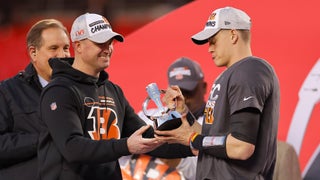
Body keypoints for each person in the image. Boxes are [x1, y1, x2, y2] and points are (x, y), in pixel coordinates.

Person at [38, 13, 194, 180]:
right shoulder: (59, 91)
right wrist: (126, 145)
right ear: (78, 46)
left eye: (110, 42)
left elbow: (148, 139)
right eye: (100, 43)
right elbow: (72, 148)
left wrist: (194, 145)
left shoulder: (113, 91)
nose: (107, 48)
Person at [155, 6, 280, 180]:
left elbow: (241, 146)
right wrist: (184, 112)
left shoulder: (249, 70)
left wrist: (192, 138)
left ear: (233, 35)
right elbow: (213, 138)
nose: (209, 48)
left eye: (213, 40)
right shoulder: (230, 75)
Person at [0, 19, 70, 179]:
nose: (63, 55)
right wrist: (46, 140)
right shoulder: (7, 92)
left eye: (66, 48)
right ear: (33, 53)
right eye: (54, 48)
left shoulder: (81, 91)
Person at [120, 57, 207, 180]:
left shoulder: (212, 122)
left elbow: (208, 169)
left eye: (189, 92)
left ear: (203, 87)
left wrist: (171, 156)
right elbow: (120, 158)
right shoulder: (147, 117)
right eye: (178, 91)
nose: (183, 98)